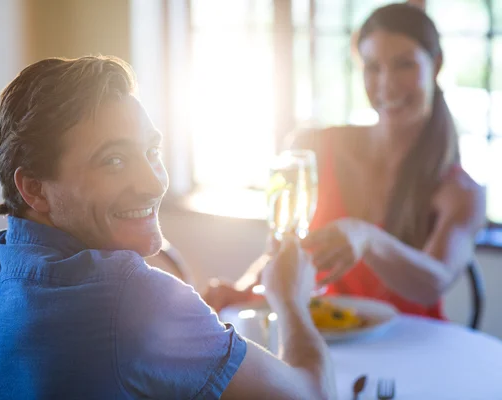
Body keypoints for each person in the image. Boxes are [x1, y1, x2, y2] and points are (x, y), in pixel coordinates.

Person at [0, 55, 335, 399]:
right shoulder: (132, 300)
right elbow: (312, 393)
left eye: (152, 152)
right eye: (114, 160)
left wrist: (202, 322)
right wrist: (292, 302)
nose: (154, 182)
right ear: (34, 188)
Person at [204, 3, 486, 320]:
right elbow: (285, 250)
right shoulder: (315, 148)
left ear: (435, 65)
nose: (387, 83)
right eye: (373, 67)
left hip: (412, 349)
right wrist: (243, 291)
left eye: (404, 65)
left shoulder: (462, 191)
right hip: (324, 337)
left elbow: (433, 283)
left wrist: (367, 237)